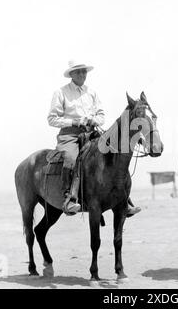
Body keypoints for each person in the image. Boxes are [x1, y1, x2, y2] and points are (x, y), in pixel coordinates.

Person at [48, 60, 141, 216]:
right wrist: (75, 121)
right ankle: (69, 198)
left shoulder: (91, 92)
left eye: (84, 71)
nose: (82, 74)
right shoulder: (61, 92)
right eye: (78, 72)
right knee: (71, 158)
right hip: (70, 135)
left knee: (114, 153)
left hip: (91, 133)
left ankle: (124, 199)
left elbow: (101, 115)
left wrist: (94, 120)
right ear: (71, 74)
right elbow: (52, 118)